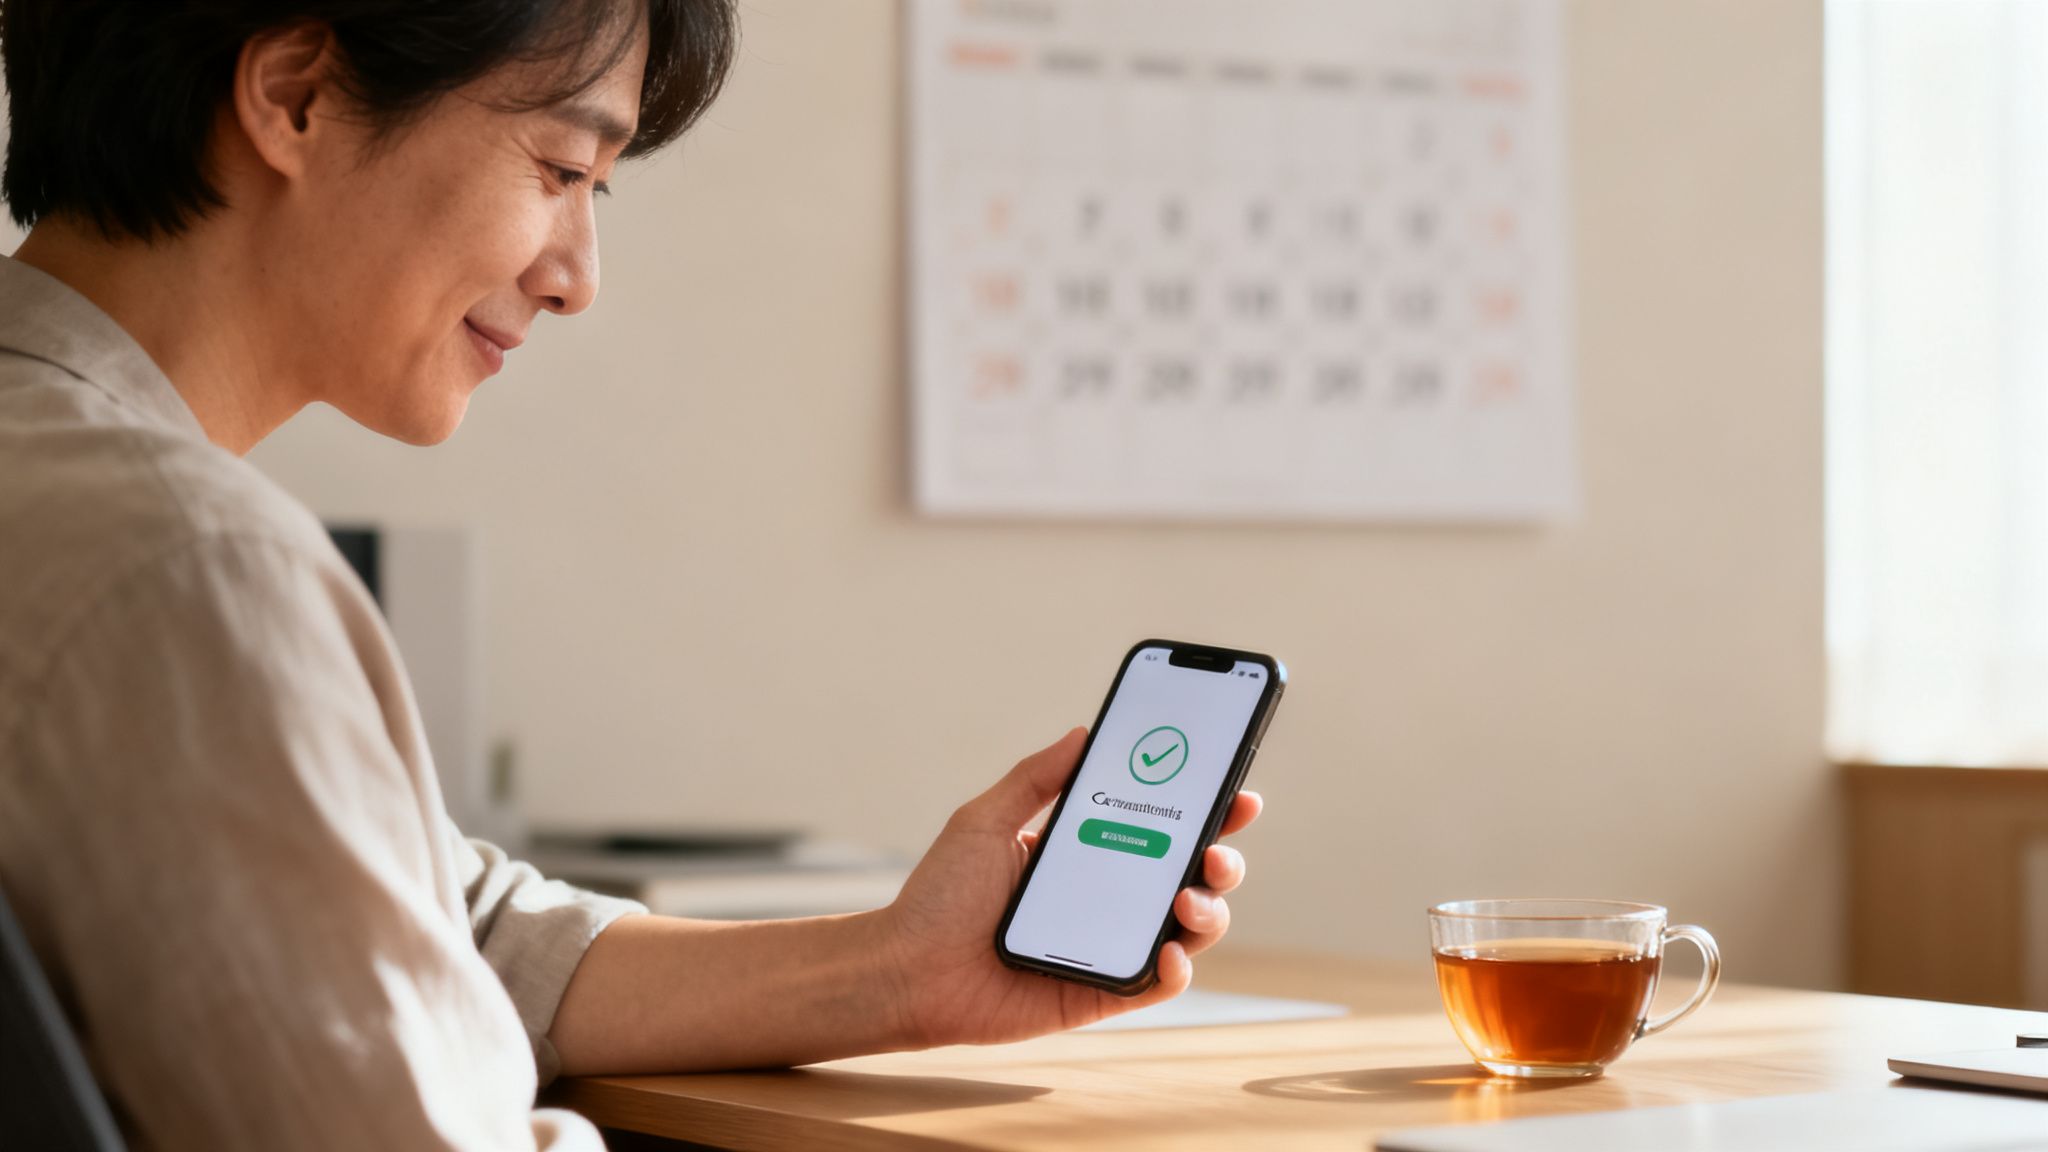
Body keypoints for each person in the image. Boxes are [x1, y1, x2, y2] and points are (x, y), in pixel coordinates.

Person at [0, 2, 1264, 1148]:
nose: (577, 277)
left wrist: (896, 969)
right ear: (294, 97)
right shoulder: (186, 567)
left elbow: (437, 917)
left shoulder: (65, 490)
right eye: (559, 168)